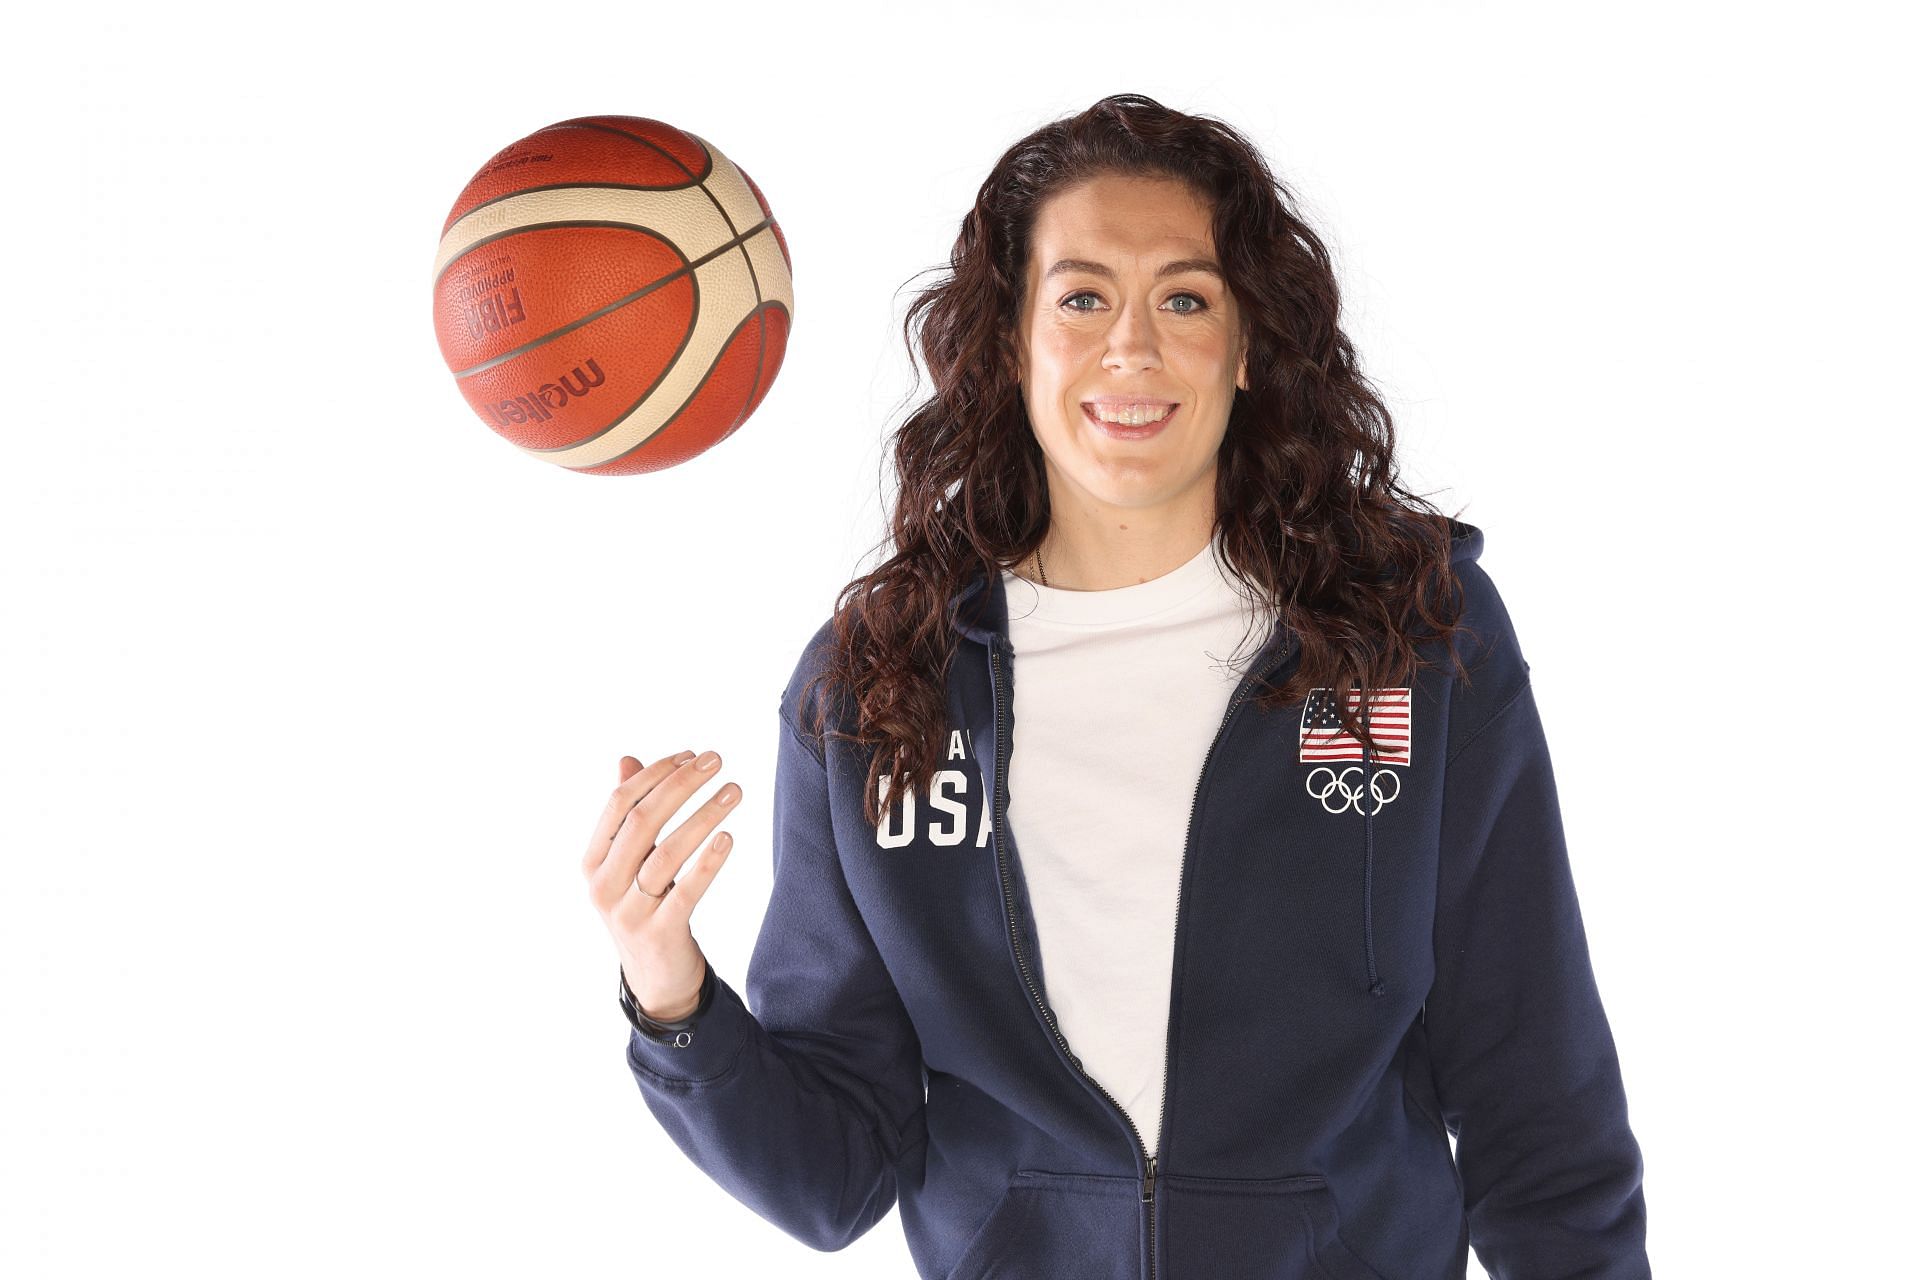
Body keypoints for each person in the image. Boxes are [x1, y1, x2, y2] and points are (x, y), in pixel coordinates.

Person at [581, 93, 1651, 1280]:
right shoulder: (879, 686)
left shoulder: (1407, 637)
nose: (1131, 347)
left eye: (1184, 299)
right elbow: (835, 1176)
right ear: (1008, 342)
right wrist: (670, 991)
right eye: (1081, 297)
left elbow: (1537, 1093)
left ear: (1247, 346)